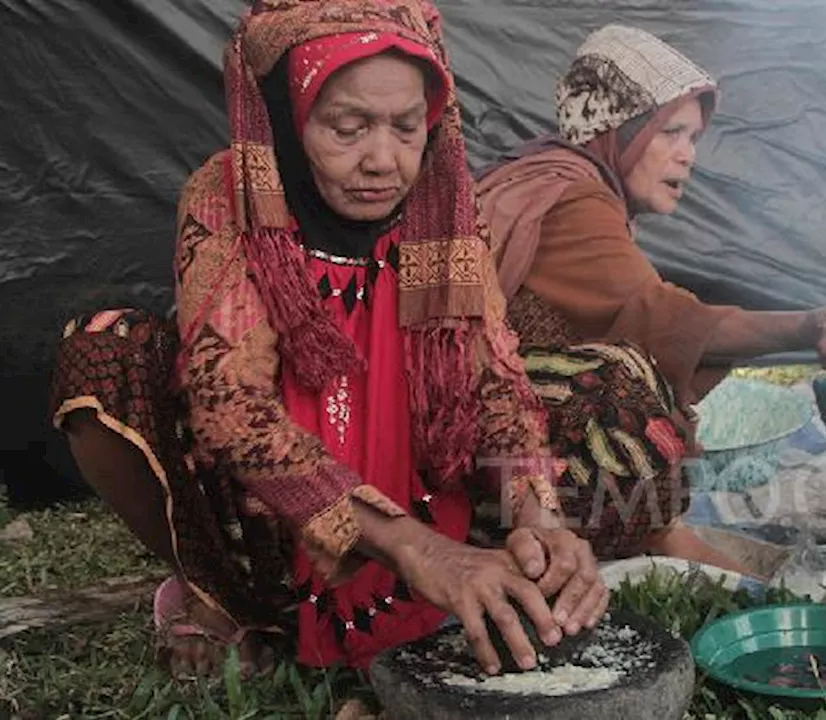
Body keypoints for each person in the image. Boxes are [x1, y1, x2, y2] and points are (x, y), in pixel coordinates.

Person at [48, 0, 611, 681]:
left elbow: (493, 379)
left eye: (408, 127)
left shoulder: (443, 207)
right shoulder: (229, 193)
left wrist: (538, 514)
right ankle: (222, 592)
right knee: (103, 353)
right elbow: (229, 408)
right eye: (348, 127)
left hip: (428, 511)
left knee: (607, 396)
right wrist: (413, 549)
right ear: (290, 115)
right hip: (271, 530)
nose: (383, 159)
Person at [472, 25, 826, 571]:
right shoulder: (575, 200)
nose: (688, 156)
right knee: (625, 383)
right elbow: (664, 320)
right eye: (671, 132)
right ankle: (650, 534)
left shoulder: (558, 180)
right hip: (484, 443)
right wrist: (809, 327)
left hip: (488, 436)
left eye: (693, 138)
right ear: (623, 129)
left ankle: (650, 531)